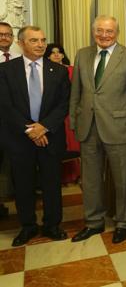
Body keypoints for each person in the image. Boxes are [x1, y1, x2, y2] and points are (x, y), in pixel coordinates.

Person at [70, 15, 126, 244]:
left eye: (109, 31)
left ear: (117, 32)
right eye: (100, 31)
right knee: (90, 179)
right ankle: (93, 222)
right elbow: (76, 92)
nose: (104, 35)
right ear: (93, 32)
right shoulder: (82, 54)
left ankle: (123, 222)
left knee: (121, 178)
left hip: (118, 126)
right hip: (87, 127)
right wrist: (73, 121)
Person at [0, 25, 70, 246]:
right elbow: (5, 105)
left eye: (42, 40)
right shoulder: (6, 70)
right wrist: (31, 129)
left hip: (50, 137)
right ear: (20, 43)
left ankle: (52, 225)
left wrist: (44, 127)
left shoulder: (57, 70)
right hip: (19, 138)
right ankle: (28, 226)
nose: (40, 45)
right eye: (34, 41)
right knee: (23, 185)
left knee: (51, 183)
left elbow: (63, 104)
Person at [44, 43, 81, 184]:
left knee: (73, 144)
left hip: (72, 112)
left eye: (59, 52)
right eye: (53, 52)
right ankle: (60, 177)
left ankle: (74, 175)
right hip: (55, 114)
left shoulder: (72, 70)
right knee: (60, 145)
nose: (57, 55)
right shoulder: (46, 71)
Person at [0, 21, 19, 218]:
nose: (4, 37)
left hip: (15, 122)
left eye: (8, 34)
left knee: (11, 164)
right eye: (1, 34)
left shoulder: (18, 58)